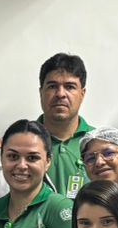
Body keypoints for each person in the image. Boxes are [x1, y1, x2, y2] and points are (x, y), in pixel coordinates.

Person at [36, 52, 95, 199]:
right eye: (52, 86)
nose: (60, 94)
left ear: (82, 94)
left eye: (70, 87)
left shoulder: (99, 142)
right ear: (41, 92)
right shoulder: (23, 141)